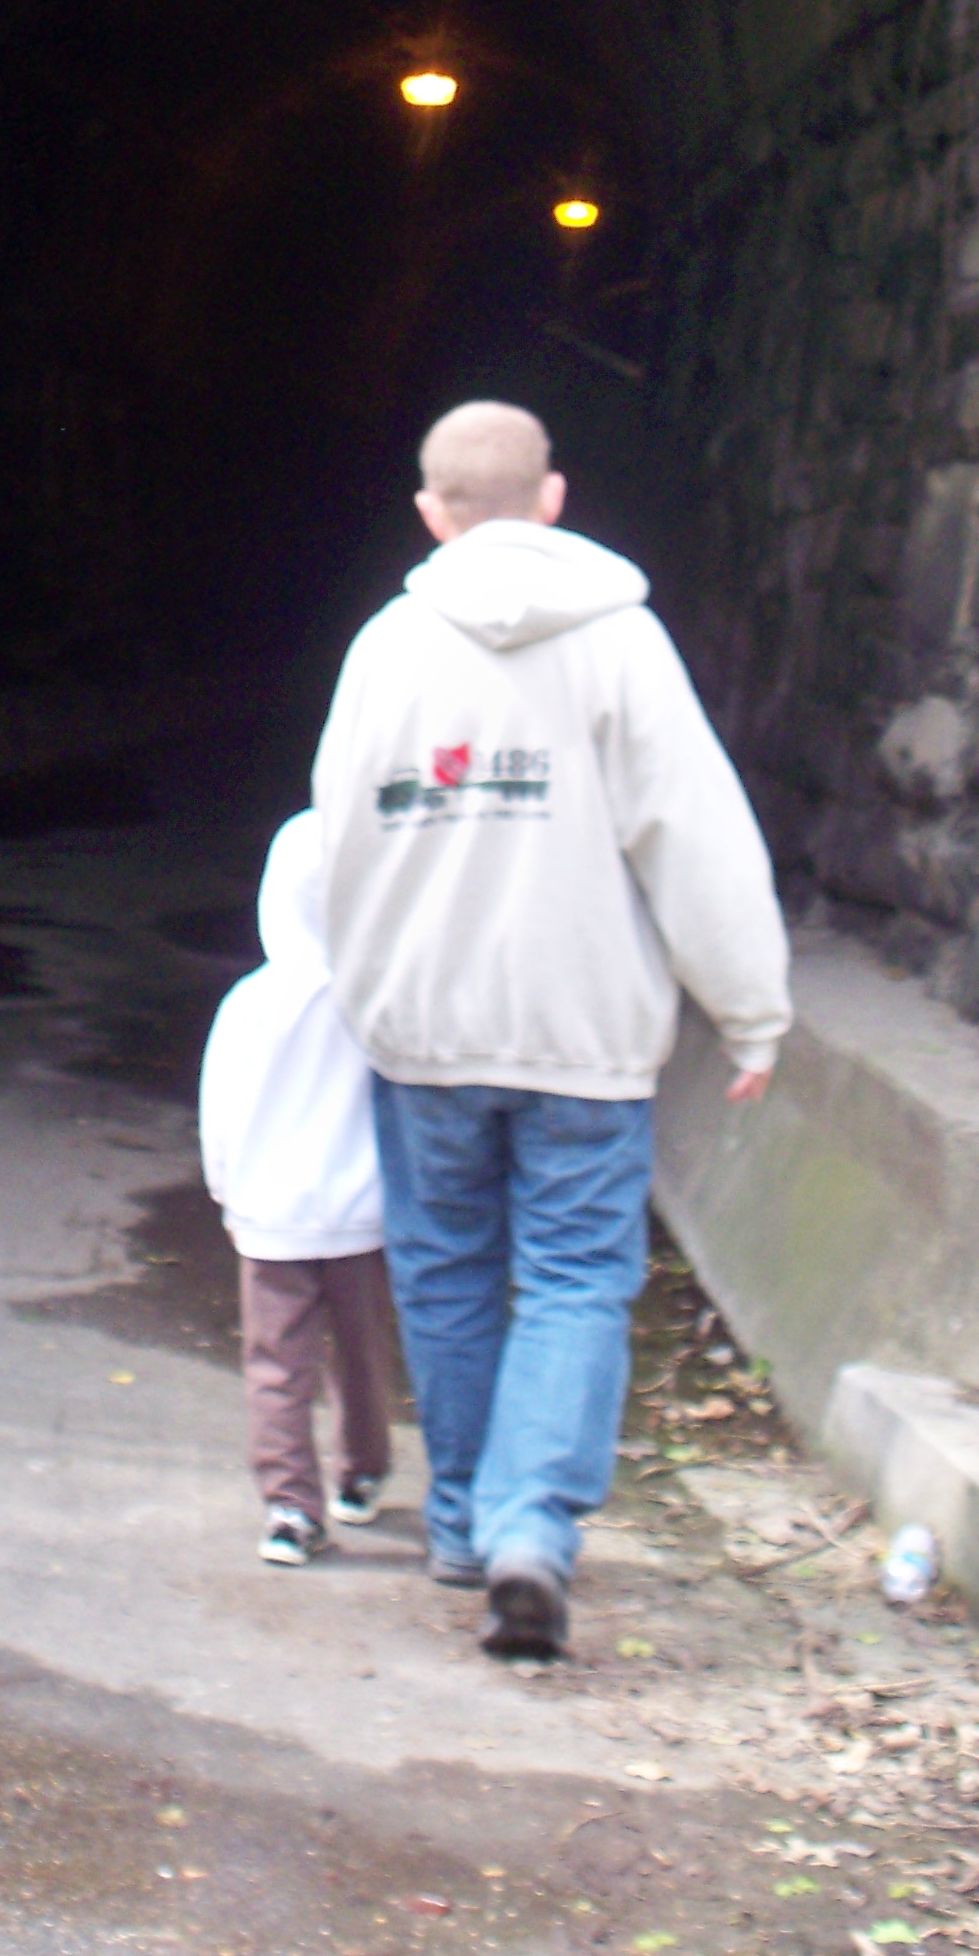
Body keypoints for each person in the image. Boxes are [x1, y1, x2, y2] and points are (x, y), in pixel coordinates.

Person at [309, 399, 790, 1662]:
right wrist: (749, 1011)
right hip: (585, 1035)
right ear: (554, 498)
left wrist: (366, 995)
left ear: (432, 513)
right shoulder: (623, 647)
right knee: (577, 1276)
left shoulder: (384, 651)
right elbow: (690, 834)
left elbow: (337, 840)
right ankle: (534, 1523)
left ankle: (465, 1520)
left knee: (446, 1268)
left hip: (426, 1033)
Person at [198, 809, 396, 1568]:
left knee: (277, 1361)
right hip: (357, 1215)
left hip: (269, 1216)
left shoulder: (250, 1001)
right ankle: (362, 1472)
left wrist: (226, 1186)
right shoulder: (374, 1000)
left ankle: (289, 1506)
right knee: (361, 1353)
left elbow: (221, 1104)